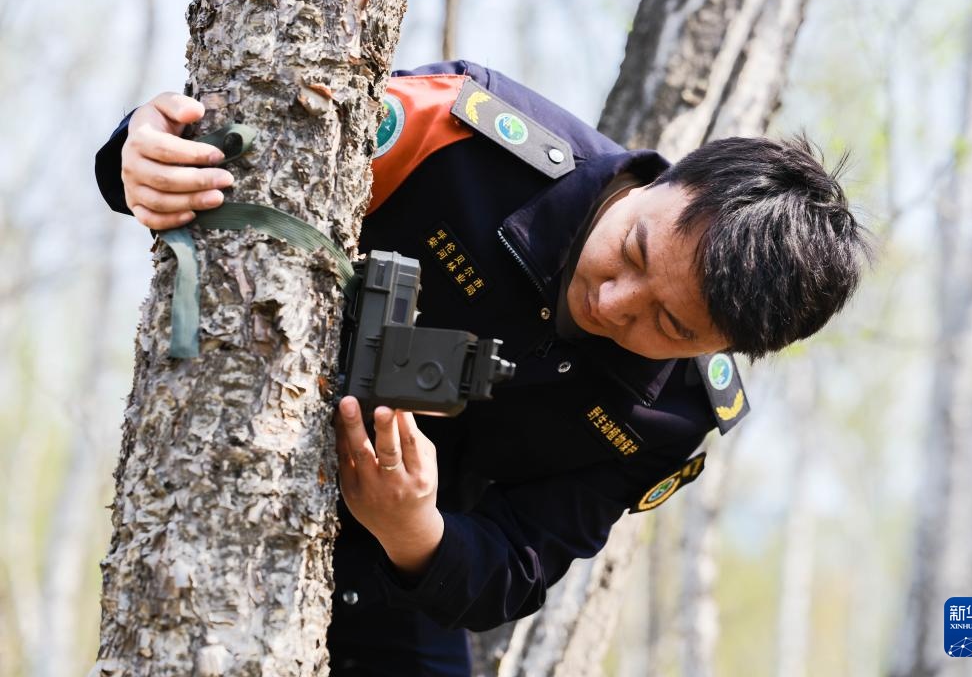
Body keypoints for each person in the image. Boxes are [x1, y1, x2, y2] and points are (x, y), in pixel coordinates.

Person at [95, 60, 869, 675]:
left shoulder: (671, 419)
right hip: (228, 465)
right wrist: (139, 147)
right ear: (663, 179)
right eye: (633, 249)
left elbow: (517, 565)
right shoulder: (461, 136)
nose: (612, 300)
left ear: (720, 351)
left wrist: (415, 530)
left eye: (667, 324)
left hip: (400, 586)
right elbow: (241, 147)